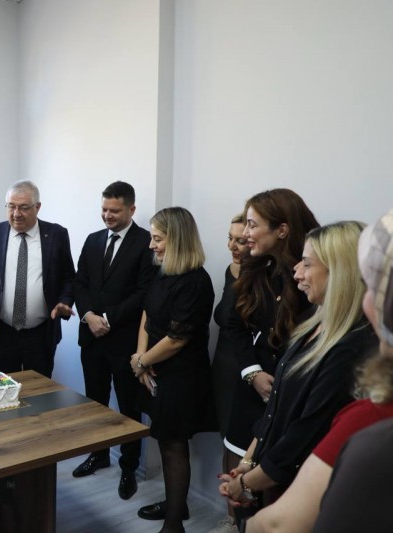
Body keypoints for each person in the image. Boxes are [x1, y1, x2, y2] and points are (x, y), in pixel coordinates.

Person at [218, 222, 376, 524]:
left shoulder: (350, 348)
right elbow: (276, 410)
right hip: (270, 478)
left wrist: (246, 483)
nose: (297, 273)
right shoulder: (311, 323)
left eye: (306, 263)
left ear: (339, 271)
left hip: (299, 491)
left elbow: (303, 434)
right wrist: (249, 460)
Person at [129, 207, 215, 533]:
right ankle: (176, 504)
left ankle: (174, 523)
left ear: (177, 240)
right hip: (155, 370)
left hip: (181, 377)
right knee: (165, 442)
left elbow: (177, 339)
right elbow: (147, 316)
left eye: (157, 239)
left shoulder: (196, 282)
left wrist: (142, 362)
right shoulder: (162, 271)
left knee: (173, 445)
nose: (151, 245)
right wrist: (141, 358)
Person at [71, 181, 156, 500]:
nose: (107, 215)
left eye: (114, 211)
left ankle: (129, 468)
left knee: (129, 408)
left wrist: (107, 319)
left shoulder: (146, 243)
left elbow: (144, 292)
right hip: (91, 339)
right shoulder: (93, 240)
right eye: (104, 209)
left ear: (131, 209)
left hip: (125, 342)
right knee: (94, 402)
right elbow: (79, 283)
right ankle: (99, 455)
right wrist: (88, 315)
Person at [222, 190, 319, 473]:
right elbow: (234, 324)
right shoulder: (255, 268)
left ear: (281, 230)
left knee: (269, 475)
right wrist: (252, 372)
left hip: (291, 398)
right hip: (252, 387)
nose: (245, 233)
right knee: (235, 469)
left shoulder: (312, 278)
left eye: (252, 225)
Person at [0, 180, 76, 378]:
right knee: (2, 389)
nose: (16, 213)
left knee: (39, 389)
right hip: (2, 332)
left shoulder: (56, 234)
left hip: (41, 333)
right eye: (11, 206)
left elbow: (69, 277)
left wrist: (64, 301)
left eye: (23, 207)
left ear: (37, 207)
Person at [210, 213, 249, 532]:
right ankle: (231, 518)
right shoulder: (230, 270)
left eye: (241, 241)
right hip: (223, 367)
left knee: (243, 446)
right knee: (227, 443)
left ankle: (244, 520)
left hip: (246, 370)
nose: (232, 246)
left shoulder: (263, 277)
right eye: (230, 239)